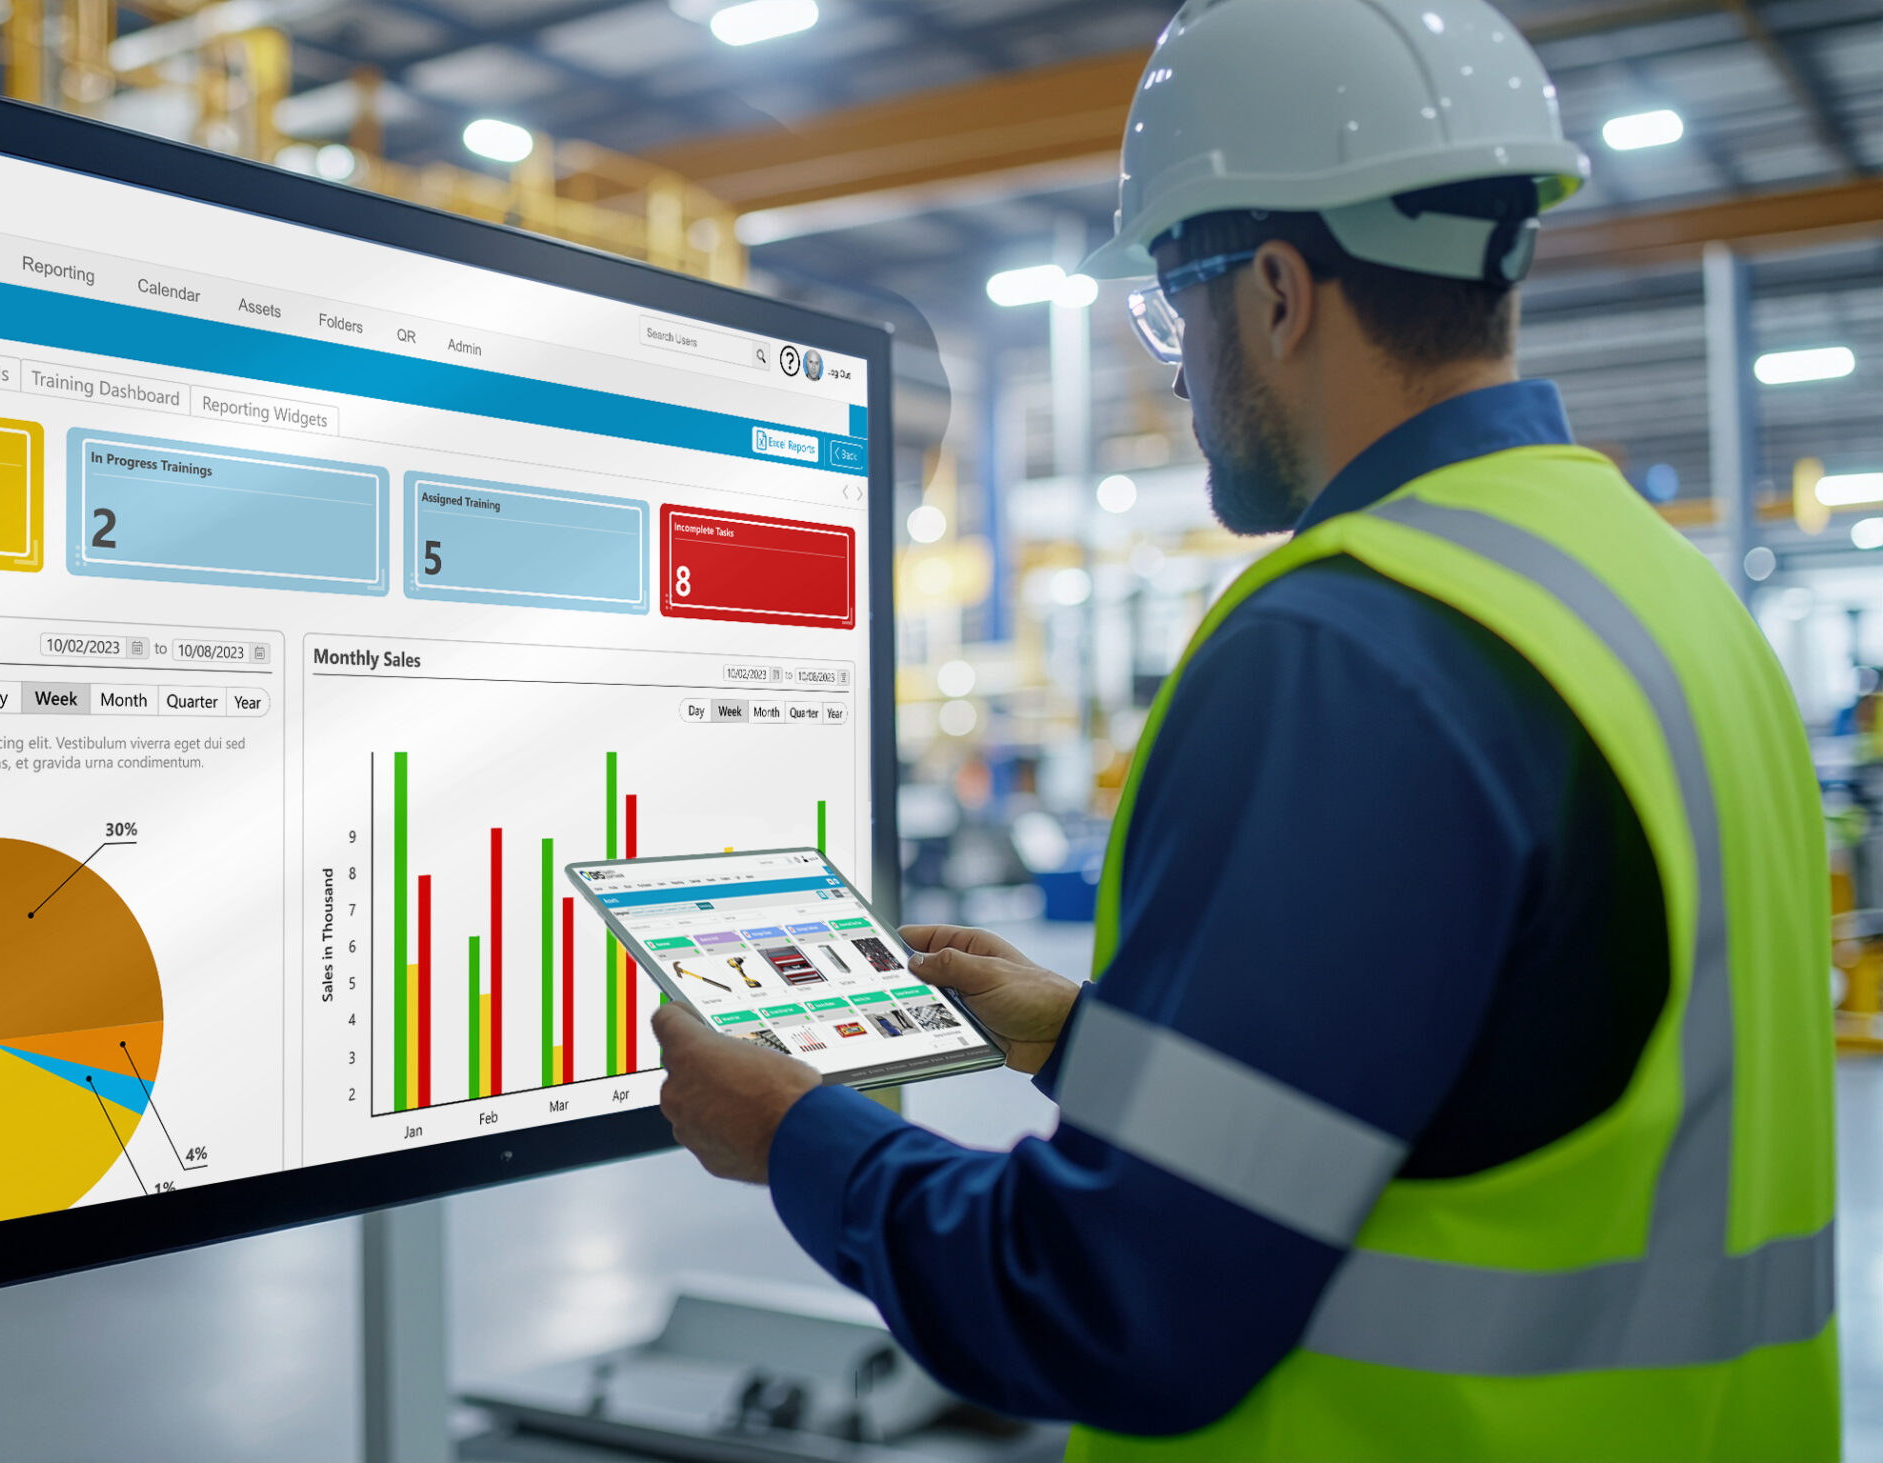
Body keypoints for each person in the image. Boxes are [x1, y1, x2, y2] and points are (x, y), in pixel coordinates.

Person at [648, 0, 1840, 1456]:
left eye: (1171, 305)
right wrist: (1084, 1039)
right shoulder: (1654, 586)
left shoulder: (1349, 644)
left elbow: (1107, 1304)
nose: (1172, 365)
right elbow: (1502, 1063)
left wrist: (795, 1136)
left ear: (1276, 293)